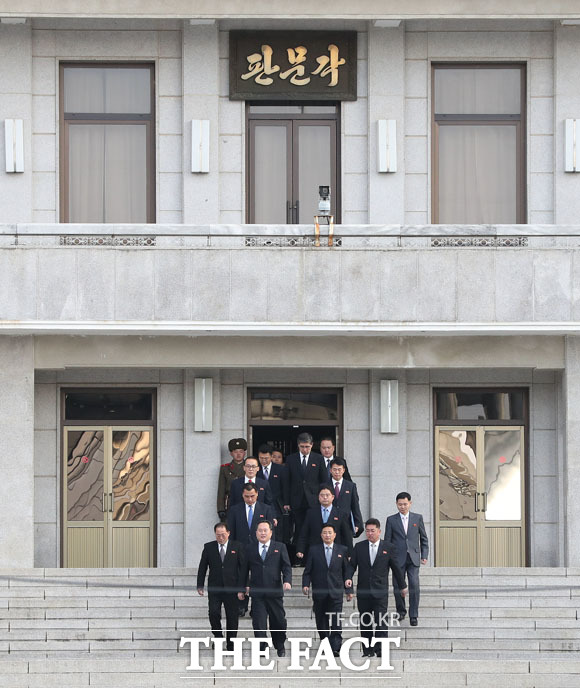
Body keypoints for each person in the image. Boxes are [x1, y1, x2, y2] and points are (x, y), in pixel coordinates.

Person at [345, 518, 407, 657]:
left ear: (379, 531)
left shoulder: (388, 547)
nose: (370, 533)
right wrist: (348, 578)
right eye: (367, 531)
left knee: (381, 622)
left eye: (372, 531)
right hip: (363, 591)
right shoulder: (359, 547)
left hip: (380, 591)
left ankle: (380, 650)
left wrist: (402, 586)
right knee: (365, 622)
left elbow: (396, 568)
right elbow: (351, 566)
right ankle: (367, 650)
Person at [240, 519, 292, 657]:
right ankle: (262, 648)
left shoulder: (279, 547)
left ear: (270, 532)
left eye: (265, 530)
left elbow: (286, 566)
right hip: (257, 592)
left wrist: (287, 581)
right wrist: (243, 587)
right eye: (260, 530)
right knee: (259, 623)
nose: (262, 533)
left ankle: (280, 645)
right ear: (256, 533)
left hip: (274, 591)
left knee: (279, 621)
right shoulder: (250, 548)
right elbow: (244, 569)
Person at [227, 482, 277, 617]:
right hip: (240, 547)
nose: (250, 499)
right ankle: (241, 605)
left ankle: (257, 608)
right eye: (247, 496)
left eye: (252, 496)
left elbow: (270, 531)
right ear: (242, 495)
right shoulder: (234, 509)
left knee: (257, 575)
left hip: (259, 548)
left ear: (257, 495)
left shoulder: (265, 509)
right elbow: (230, 531)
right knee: (240, 575)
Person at [196, 522, 246, 650]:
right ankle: (218, 636)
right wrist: (200, 585)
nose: (221, 538)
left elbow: (243, 568)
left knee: (232, 616)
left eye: (223, 535)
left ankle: (231, 642)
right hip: (215, 587)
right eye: (218, 535)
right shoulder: (208, 547)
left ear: (228, 533)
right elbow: (203, 567)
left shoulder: (237, 546)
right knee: (213, 613)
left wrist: (243, 587)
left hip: (232, 587)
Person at [302, 524, 350, 656]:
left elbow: (347, 572)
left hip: (336, 591)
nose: (327, 535)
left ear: (334, 535)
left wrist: (349, 590)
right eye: (325, 533)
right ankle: (325, 643)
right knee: (321, 620)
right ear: (321, 535)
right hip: (319, 591)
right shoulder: (313, 550)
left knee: (336, 620)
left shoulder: (342, 550)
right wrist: (305, 584)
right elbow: (308, 571)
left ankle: (335, 647)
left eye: (330, 532)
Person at [385, 491, 429, 627]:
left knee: (414, 584)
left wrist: (424, 555)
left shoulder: (417, 518)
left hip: (414, 557)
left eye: (405, 504)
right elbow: (388, 540)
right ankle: (401, 610)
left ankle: (414, 615)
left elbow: (424, 538)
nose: (402, 507)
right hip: (397, 558)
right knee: (398, 585)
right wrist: (387, 557)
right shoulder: (391, 520)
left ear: (410, 503)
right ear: (396, 505)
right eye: (400, 504)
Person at [283, 432, 327, 564]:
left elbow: (324, 481)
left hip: (314, 500)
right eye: (302, 446)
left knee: (314, 528)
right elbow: (286, 482)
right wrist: (286, 502)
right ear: (298, 446)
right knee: (299, 529)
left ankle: (312, 558)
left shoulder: (318, 459)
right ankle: (298, 558)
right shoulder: (291, 459)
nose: (305, 449)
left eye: (307, 446)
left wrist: (323, 499)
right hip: (296, 500)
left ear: (312, 445)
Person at [295, 485, 352, 560]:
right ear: (318, 497)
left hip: (336, 551)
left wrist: (350, 553)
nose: (325, 497)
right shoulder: (311, 513)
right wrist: (300, 549)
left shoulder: (341, 514)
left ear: (333, 497)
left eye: (327, 495)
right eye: (322, 495)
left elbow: (347, 535)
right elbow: (304, 533)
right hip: (316, 551)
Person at [257, 444, 289, 544]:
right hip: (260, 505)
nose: (264, 461)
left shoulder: (280, 469)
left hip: (277, 506)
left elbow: (285, 488)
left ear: (271, 457)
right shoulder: (256, 470)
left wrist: (286, 503)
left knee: (278, 534)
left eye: (266, 458)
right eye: (261, 458)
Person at [329, 457, 364, 544]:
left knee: (347, 551)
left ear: (344, 470)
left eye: (339, 469)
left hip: (346, 523)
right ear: (330, 470)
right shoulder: (325, 485)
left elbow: (355, 506)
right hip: (329, 524)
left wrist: (358, 524)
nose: (337, 472)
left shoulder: (351, 486)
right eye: (335, 469)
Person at [217, 438, 247, 519]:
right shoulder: (225, 468)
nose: (238, 454)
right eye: (235, 452)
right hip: (230, 503)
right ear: (231, 453)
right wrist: (221, 509)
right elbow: (221, 489)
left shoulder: (249, 467)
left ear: (244, 453)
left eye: (241, 451)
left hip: (246, 501)